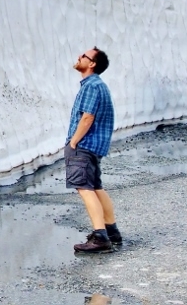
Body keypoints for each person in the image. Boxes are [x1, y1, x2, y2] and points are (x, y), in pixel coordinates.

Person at [65, 46, 122, 253]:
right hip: (94, 147)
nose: (78, 56)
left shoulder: (91, 86)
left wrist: (74, 141)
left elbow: (87, 117)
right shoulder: (99, 85)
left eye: (83, 55)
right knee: (96, 186)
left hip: (84, 146)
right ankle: (111, 231)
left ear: (92, 64)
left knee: (85, 188)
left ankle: (100, 237)